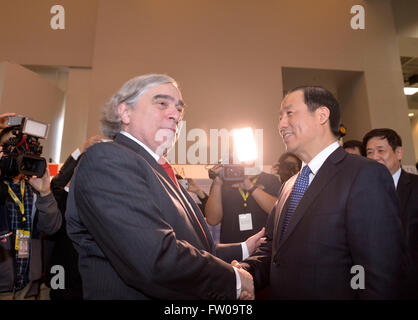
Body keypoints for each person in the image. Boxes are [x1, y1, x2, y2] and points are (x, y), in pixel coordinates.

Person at [66, 74, 258, 299]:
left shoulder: (157, 169)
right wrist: (234, 279)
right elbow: (154, 258)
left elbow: (193, 246)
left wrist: (245, 248)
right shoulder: (108, 160)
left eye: (179, 108)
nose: (175, 114)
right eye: (161, 103)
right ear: (125, 112)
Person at [237, 86, 405, 299]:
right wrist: (244, 272)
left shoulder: (364, 175)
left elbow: (379, 273)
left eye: (289, 113)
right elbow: (272, 250)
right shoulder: (289, 185)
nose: (281, 124)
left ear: (322, 115)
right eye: (279, 117)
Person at [0, 127, 62, 300]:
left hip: (28, 285)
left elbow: (52, 228)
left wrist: (45, 193)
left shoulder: (33, 188)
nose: (20, 154)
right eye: (13, 149)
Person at [45, 135, 102, 300]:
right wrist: (81, 149)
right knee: (57, 296)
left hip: (87, 271)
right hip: (61, 267)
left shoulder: (99, 200)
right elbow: (58, 180)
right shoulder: (60, 195)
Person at [363, 128, 418, 298]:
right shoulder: (359, 193)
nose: (374, 157)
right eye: (369, 152)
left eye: (381, 151)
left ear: (398, 152)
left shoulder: (415, 186)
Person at [205, 165, 280, 244]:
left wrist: (251, 187)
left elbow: (277, 210)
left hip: (262, 245)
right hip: (232, 247)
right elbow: (212, 220)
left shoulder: (270, 180)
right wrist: (217, 183)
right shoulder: (223, 181)